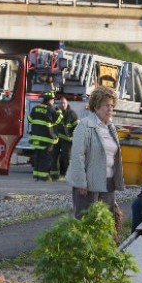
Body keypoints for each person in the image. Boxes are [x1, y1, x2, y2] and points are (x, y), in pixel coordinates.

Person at [65, 86, 124, 219]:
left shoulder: (111, 127)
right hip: (89, 183)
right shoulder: (85, 125)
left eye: (111, 105)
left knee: (106, 221)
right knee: (87, 220)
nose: (109, 109)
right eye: (105, 105)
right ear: (96, 106)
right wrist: (81, 182)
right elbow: (77, 156)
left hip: (108, 182)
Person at [28, 90, 63, 181]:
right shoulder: (51, 110)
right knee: (46, 158)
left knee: (38, 157)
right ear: (50, 100)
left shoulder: (35, 108)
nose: (53, 102)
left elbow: (30, 119)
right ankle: (44, 177)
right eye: (53, 100)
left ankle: (37, 175)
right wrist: (59, 112)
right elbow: (57, 121)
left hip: (35, 138)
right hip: (47, 139)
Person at [50, 96, 80, 181]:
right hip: (56, 139)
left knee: (67, 158)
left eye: (64, 103)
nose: (62, 105)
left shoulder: (71, 114)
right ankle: (54, 176)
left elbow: (77, 126)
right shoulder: (55, 112)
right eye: (60, 103)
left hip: (67, 140)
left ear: (67, 104)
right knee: (54, 157)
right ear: (58, 104)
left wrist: (73, 136)